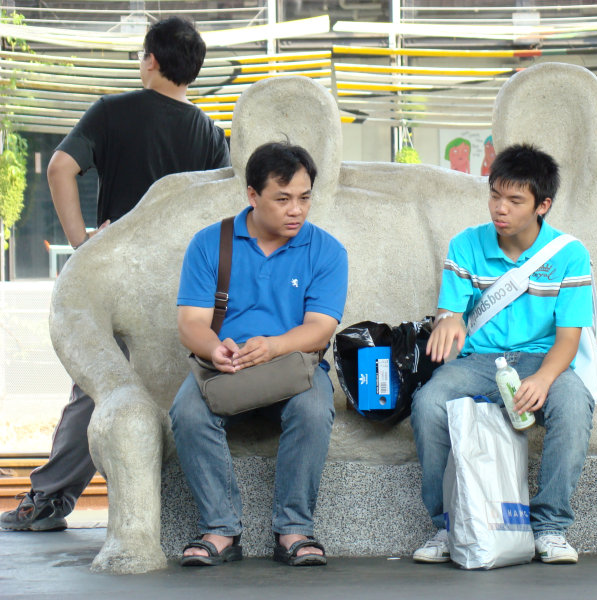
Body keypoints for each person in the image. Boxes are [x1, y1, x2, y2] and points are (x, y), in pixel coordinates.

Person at [0, 16, 230, 532]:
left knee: (101, 384)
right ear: (192, 71)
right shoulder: (212, 135)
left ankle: (49, 499)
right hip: (187, 287)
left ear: (150, 60)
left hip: (123, 278)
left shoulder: (113, 112)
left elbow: (60, 167)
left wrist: (82, 243)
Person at [410, 143, 595, 565]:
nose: (500, 208)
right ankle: (448, 525)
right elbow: (450, 315)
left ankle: (550, 528)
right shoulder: (466, 245)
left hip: (539, 361)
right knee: (429, 404)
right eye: (495, 195)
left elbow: (568, 339)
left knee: (573, 402)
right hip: (477, 363)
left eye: (515, 200)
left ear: (542, 205)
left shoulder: (569, 255)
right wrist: (449, 321)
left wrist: (545, 378)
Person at [170, 142, 347, 567]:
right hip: (225, 367)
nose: (296, 210)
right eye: (282, 199)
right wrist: (216, 348)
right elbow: (189, 323)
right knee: (187, 413)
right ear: (252, 195)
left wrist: (274, 346)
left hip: (293, 367)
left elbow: (321, 327)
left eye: (304, 198)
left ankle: (294, 531)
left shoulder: (326, 250)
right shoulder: (211, 243)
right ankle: (221, 530)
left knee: (314, 408)